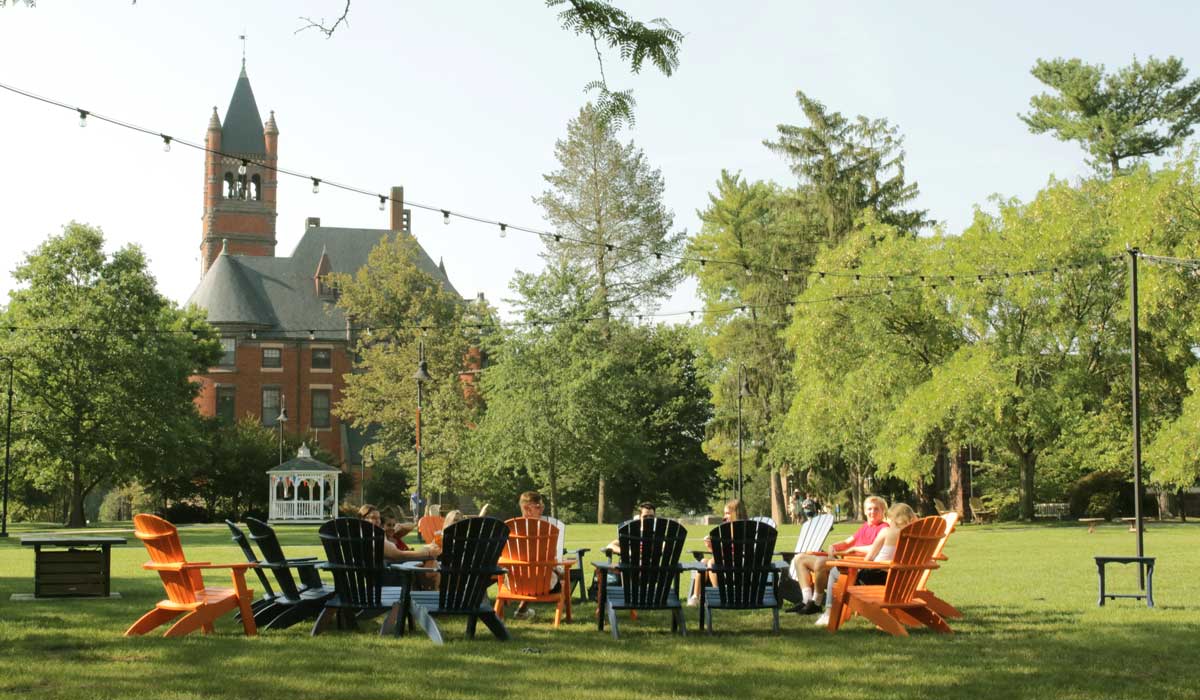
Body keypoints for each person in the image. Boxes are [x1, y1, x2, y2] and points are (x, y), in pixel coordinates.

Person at [813, 502, 916, 627]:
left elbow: (869, 557)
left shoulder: (886, 532)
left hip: (875, 578)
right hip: (899, 582)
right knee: (842, 572)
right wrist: (856, 548)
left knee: (836, 571)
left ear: (892, 518)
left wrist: (857, 564)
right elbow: (885, 550)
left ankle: (829, 613)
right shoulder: (914, 535)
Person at [787, 495, 888, 615]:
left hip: (855, 568)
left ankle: (816, 603)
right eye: (870, 509)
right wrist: (834, 546)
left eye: (876, 509)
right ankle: (806, 601)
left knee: (820, 562)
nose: (872, 512)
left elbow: (877, 548)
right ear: (865, 511)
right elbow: (847, 542)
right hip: (844, 563)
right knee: (800, 559)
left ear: (883, 511)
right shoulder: (865, 527)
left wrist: (854, 548)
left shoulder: (884, 528)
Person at [514, 491, 565, 620]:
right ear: (526, 508)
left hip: (514, 582)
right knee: (560, 575)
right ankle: (563, 612)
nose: (541, 509)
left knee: (533, 572)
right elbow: (551, 557)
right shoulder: (544, 530)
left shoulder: (511, 528)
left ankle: (522, 611)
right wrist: (557, 570)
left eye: (542, 506)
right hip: (543, 583)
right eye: (537, 506)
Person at [688, 498, 748, 606]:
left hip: (741, 565)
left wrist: (716, 551)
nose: (724, 517)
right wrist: (711, 547)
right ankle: (696, 597)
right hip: (729, 562)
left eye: (728, 513)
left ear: (737, 514)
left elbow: (736, 552)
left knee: (711, 563)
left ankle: (719, 594)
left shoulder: (739, 531)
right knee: (704, 562)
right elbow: (724, 553)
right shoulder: (731, 529)